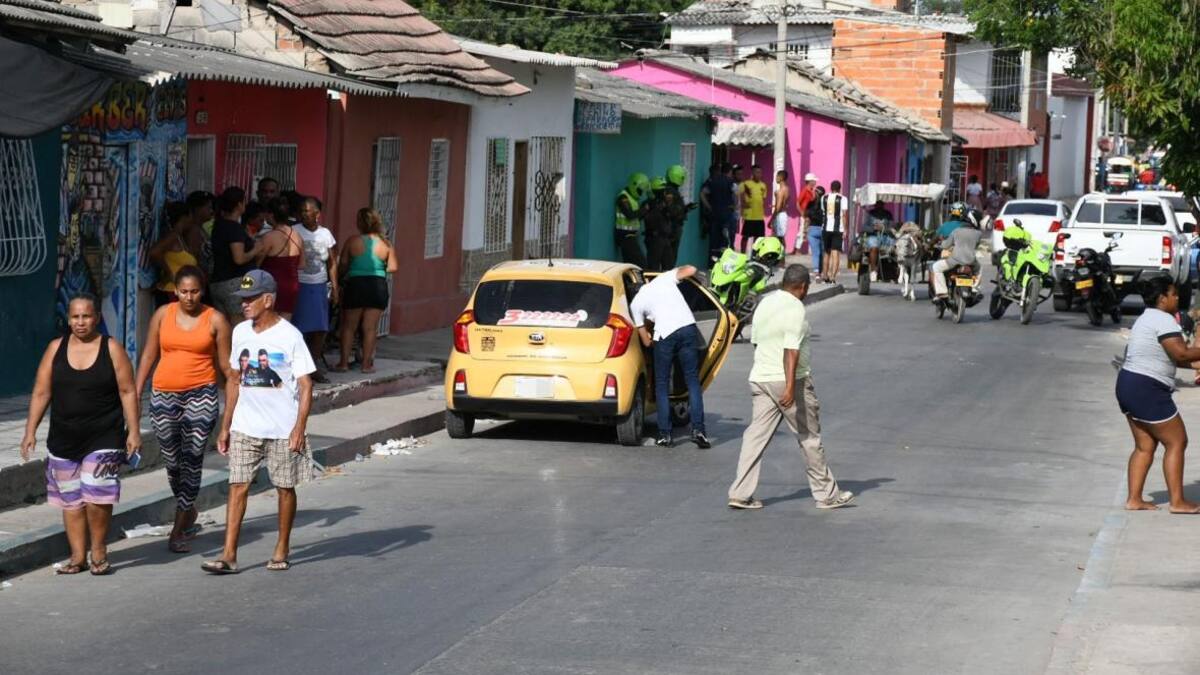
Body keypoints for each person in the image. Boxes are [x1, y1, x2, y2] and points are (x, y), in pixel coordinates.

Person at [203, 270, 315, 574]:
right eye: (243, 299)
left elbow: (306, 385)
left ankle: (282, 547)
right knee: (237, 485)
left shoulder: (290, 336)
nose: (244, 304)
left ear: (268, 300)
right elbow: (234, 380)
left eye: (251, 299)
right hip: (245, 426)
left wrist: (299, 429)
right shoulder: (240, 332)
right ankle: (229, 555)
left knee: (284, 487)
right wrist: (226, 426)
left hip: (282, 429)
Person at [20, 294, 141, 575]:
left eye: (86, 316)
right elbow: (41, 392)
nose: (80, 322)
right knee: (70, 498)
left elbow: (127, 391)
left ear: (96, 318)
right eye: (75, 317)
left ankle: (98, 551)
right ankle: (77, 557)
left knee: (98, 494)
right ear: (68, 319)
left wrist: (134, 430)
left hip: (104, 435)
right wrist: (30, 431)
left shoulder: (112, 348)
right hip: (64, 437)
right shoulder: (55, 348)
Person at [727, 264, 854, 510]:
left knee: (755, 437)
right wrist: (788, 388)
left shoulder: (765, 303)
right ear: (803, 287)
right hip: (789, 382)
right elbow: (791, 350)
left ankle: (740, 493)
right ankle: (827, 495)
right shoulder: (795, 308)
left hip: (761, 378)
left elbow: (756, 342)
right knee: (808, 437)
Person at [134, 266, 231, 552]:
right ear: (175, 290)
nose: (189, 297)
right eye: (184, 291)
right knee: (172, 462)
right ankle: (189, 509)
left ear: (203, 290)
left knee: (192, 458)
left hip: (202, 395)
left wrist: (232, 409)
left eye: (195, 291)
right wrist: (135, 393)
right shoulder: (163, 314)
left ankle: (179, 527)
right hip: (163, 394)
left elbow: (226, 368)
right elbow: (149, 354)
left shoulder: (216, 319)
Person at [1118, 277, 1200, 514]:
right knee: (1177, 441)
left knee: (1145, 446)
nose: (1177, 298)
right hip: (1147, 388)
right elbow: (1181, 353)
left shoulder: (1146, 318)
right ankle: (1178, 502)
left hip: (1128, 384)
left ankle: (1134, 499)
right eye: (1174, 294)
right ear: (1162, 298)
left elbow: (1172, 358)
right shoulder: (1163, 320)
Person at [629, 265, 710, 449]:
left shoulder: (636, 304)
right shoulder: (664, 278)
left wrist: (652, 339)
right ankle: (699, 431)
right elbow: (691, 269)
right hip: (688, 329)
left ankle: (665, 434)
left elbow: (646, 341)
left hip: (665, 335)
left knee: (662, 385)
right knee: (693, 382)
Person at [336, 207, 398, 374]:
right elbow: (393, 267)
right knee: (370, 328)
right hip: (377, 286)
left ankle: (343, 363)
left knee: (349, 327)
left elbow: (343, 264)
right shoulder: (386, 244)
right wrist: (378, 267)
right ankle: (366, 365)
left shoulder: (352, 241)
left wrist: (341, 277)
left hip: (356, 285)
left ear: (359, 223)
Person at [292, 197, 338, 383]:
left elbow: (332, 263)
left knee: (320, 329)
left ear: (317, 214)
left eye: (308, 210)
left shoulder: (326, 234)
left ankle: (313, 365)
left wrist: (335, 287)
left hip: (319, 285)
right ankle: (298, 367)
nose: (304, 214)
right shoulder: (295, 231)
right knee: (299, 328)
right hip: (300, 284)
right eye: (302, 210)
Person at [209, 187, 259, 322]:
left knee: (223, 326)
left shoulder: (219, 225)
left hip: (218, 282)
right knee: (239, 325)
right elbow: (239, 258)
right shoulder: (233, 227)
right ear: (239, 204)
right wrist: (256, 249)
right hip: (234, 283)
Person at [255, 197, 304, 321]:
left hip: (272, 285)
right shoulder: (298, 236)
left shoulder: (269, 237)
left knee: (267, 322)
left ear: (271, 215)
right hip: (292, 285)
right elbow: (302, 264)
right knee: (285, 323)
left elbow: (256, 264)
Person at [148, 201, 201, 307]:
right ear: (184, 217)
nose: (192, 220)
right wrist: (169, 273)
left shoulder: (180, 237)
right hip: (171, 291)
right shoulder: (173, 236)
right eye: (190, 216)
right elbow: (154, 252)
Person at [931, 205, 982, 299]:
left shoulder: (956, 231)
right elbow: (976, 246)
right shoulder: (978, 234)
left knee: (936, 267)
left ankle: (942, 292)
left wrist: (939, 245)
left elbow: (945, 245)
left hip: (954, 261)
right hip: (971, 261)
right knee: (979, 269)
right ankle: (975, 288)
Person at [700, 163, 737, 262]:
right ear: (730, 172)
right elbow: (736, 194)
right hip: (727, 215)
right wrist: (735, 206)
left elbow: (702, 194)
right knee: (726, 240)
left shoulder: (712, 181)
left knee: (714, 241)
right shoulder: (731, 182)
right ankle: (725, 262)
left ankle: (712, 263)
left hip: (714, 215)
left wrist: (709, 207)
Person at [614, 173, 650, 268]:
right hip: (625, 236)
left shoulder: (633, 199)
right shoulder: (623, 197)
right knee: (642, 264)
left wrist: (645, 211)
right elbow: (630, 215)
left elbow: (636, 218)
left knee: (630, 266)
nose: (641, 193)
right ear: (634, 185)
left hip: (631, 236)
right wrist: (644, 209)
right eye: (640, 190)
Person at [663, 164, 694, 268]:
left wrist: (686, 208)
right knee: (670, 256)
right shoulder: (670, 191)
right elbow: (671, 210)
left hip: (674, 225)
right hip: (673, 226)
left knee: (671, 255)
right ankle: (668, 273)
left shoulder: (672, 190)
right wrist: (684, 209)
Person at [821, 180, 849, 284]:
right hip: (838, 229)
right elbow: (844, 215)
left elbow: (823, 212)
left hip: (825, 228)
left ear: (830, 188)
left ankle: (825, 276)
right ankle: (832, 277)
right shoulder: (843, 199)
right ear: (839, 188)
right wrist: (845, 229)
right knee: (835, 253)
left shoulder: (823, 198)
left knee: (826, 252)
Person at [643, 177, 673, 272]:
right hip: (655, 238)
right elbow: (648, 219)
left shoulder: (665, 204)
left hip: (665, 238)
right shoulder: (649, 204)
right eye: (662, 191)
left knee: (668, 267)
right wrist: (658, 208)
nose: (665, 193)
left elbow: (672, 216)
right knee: (653, 268)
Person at [863, 200, 896, 282]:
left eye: (881, 204)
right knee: (874, 246)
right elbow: (864, 227)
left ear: (883, 205)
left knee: (896, 245)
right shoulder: (870, 214)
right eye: (877, 204)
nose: (879, 206)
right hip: (873, 236)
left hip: (885, 236)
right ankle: (873, 271)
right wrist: (873, 228)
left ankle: (897, 270)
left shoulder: (888, 214)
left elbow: (892, 227)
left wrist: (884, 228)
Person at [739, 165, 768, 254]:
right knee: (745, 237)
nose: (759, 174)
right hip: (749, 216)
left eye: (760, 172)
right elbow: (739, 196)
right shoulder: (745, 184)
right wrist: (743, 207)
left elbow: (763, 199)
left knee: (758, 239)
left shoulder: (763, 185)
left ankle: (754, 255)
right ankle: (743, 255)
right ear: (752, 173)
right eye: (756, 172)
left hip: (759, 217)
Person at [796, 173, 819, 257]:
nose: (815, 182)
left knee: (809, 231)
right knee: (802, 231)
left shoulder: (812, 191)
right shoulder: (805, 190)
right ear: (810, 181)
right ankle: (797, 249)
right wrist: (802, 213)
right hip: (805, 214)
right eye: (814, 181)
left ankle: (811, 249)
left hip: (810, 215)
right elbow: (797, 203)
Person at [770, 169, 790, 241]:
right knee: (780, 238)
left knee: (778, 238)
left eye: (777, 176)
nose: (776, 178)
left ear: (780, 178)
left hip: (779, 216)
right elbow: (784, 204)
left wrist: (771, 219)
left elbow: (778, 207)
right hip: (784, 214)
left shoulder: (780, 191)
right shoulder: (787, 189)